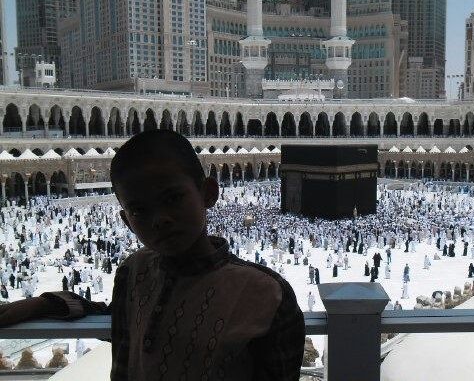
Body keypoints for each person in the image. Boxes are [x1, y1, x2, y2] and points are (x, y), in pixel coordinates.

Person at [0, 130, 306, 380]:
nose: (159, 219)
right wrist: (45, 304)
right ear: (126, 221)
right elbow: (122, 325)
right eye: (140, 210)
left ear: (208, 193)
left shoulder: (268, 295)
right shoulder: (133, 272)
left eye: (172, 198)